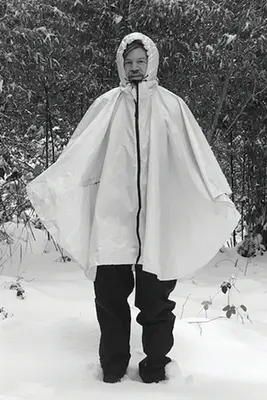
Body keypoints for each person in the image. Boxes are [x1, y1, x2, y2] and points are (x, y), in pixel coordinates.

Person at [27, 33, 240, 384]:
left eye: (141, 61)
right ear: (121, 66)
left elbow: (196, 155)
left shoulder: (172, 107)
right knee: (110, 298)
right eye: (130, 62)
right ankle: (112, 369)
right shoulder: (107, 105)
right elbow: (81, 153)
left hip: (157, 219)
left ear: (151, 62)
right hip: (113, 218)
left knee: (156, 302)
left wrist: (215, 192)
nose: (136, 67)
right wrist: (54, 186)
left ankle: (155, 370)